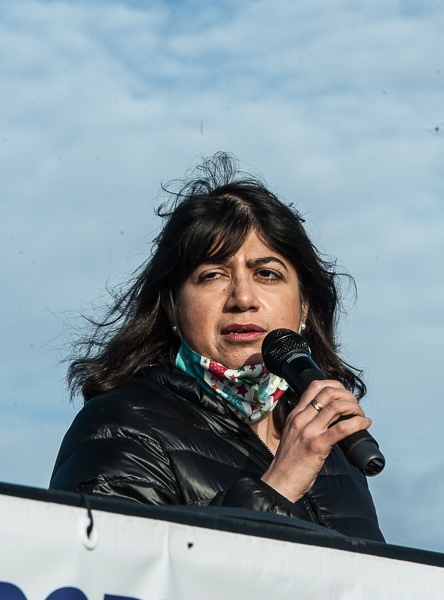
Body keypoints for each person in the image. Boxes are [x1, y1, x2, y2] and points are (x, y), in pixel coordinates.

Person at [50, 152, 383, 542]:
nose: (243, 297)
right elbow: (110, 578)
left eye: (267, 274)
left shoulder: (337, 451)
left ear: (305, 305)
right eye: (212, 275)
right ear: (173, 306)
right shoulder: (120, 423)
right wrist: (278, 487)